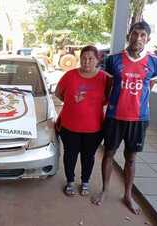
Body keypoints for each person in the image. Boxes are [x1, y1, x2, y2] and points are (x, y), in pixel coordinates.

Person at [92, 21, 157, 214]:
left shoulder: (155, 63)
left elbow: (149, 88)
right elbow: (107, 88)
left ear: (148, 39)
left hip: (139, 119)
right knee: (108, 154)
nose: (138, 38)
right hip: (115, 117)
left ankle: (127, 195)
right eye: (135, 34)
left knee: (131, 158)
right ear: (128, 35)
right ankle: (105, 190)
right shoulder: (113, 60)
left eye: (142, 36)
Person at [55, 45, 111, 196]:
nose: (86, 62)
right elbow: (59, 93)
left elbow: (107, 99)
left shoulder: (104, 78)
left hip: (94, 128)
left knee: (88, 157)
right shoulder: (70, 75)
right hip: (69, 127)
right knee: (70, 155)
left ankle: (85, 181)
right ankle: (70, 182)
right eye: (84, 59)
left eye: (91, 59)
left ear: (97, 60)